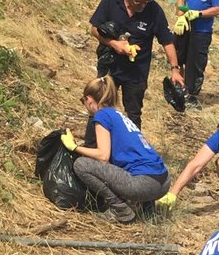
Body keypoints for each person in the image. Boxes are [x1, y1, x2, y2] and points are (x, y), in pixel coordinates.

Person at [60, 75, 170, 223]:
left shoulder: (101, 116)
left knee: (81, 165)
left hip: (144, 184)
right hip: (163, 182)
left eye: (83, 101)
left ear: (89, 99)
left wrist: (75, 148)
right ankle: (147, 208)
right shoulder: (119, 115)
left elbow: (103, 155)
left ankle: (120, 209)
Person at [89, 0, 184, 129]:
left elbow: (167, 42)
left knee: (133, 114)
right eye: (138, 1)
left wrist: (175, 69)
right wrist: (114, 44)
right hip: (109, 65)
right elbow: (94, 29)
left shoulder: (154, 10)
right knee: (100, 106)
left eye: (146, 1)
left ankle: (131, 151)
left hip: (136, 71)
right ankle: (95, 146)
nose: (143, 5)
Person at [173, 0, 219, 108]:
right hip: (185, 26)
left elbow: (218, 9)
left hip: (202, 30)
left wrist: (199, 14)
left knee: (195, 63)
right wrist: (180, 16)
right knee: (178, 56)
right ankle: (179, 87)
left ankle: (191, 94)